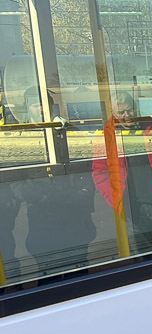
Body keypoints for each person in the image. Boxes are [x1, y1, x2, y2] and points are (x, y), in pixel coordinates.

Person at [11, 88, 96, 278]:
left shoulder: (69, 131)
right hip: (43, 218)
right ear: (26, 108)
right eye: (35, 104)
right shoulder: (21, 137)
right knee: (50, 277)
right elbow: (16, 182)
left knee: (80, 275)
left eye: (45, 103)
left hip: (75, 217)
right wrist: (42, 197)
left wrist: (84, 193)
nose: (41, 108)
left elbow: (86, 166)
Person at [92, 91, 152, 255]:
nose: (127, 116)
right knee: (147, 262)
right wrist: (116, 198)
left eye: (130, 110)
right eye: (121, 112)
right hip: (134, 210)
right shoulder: (106, 138)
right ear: (113, 113)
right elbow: (99, 173)